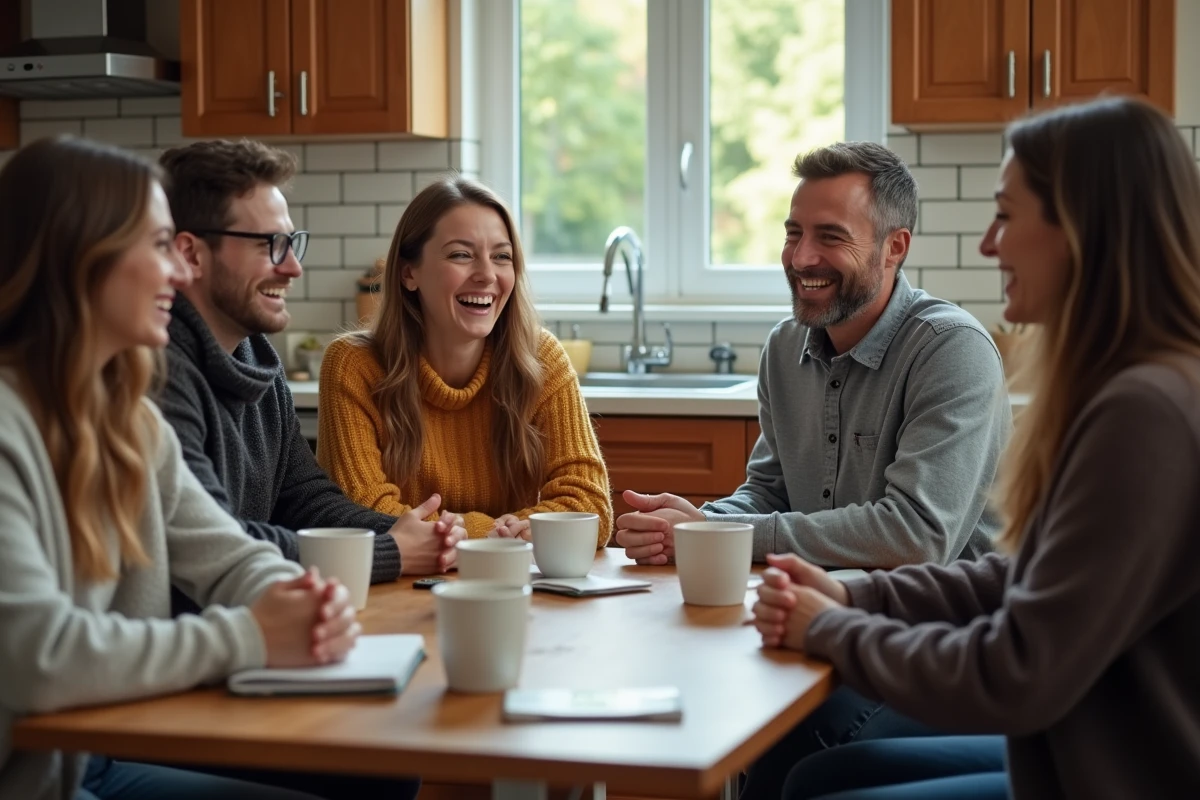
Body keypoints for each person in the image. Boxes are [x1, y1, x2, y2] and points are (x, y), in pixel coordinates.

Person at [754, 95, 1200, 799]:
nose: (989, 244)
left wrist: (834, 628)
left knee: (809, 777)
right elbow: (1022, 577)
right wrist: (853, 591)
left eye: (1005, 215)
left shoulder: (1146, 413)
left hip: (1121, 776)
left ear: (1083, 230)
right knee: (812, 778)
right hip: (1063, 748)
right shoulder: (1130, 389)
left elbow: (1017, 671)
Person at [0, 136, 398, 800]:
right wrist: (248, 634)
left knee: (376, 778)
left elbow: (228, 557)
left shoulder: (129, 422)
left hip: (88, 759)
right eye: (158, 247)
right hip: (34, 778)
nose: (180, 275)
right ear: (80, 256)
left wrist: (300, 600)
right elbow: (39, 659)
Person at [612, 141, 1011, 798]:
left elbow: (914, 537)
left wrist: (727, 538)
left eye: (830, 237)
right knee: (718, 703)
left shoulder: (951, 351)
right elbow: (767, 491)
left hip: (943, 648)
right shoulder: (783, 348)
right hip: (821, 624)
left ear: (894, 247)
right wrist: (695, 523)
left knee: (781, 740)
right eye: (794, 233)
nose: (801, 259)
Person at [156, 140, 465, 590]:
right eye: (271, 245)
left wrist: (409, 533)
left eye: (292, 243)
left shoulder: (255, 356)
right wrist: (389, 551)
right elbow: (217, 540)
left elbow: (304, 499)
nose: (294, 268)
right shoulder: (159, 372)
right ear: (190, 254)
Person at [316, 177, 612, 543]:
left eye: (501, 256)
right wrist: (502, 532)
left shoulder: (540, 358)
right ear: (409, 273)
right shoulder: (353, 365)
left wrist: (465, 534)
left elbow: (590, 507)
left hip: (510, 587)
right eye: (461, 254)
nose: (487, 275)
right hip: (397, 588)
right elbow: (363, 514)